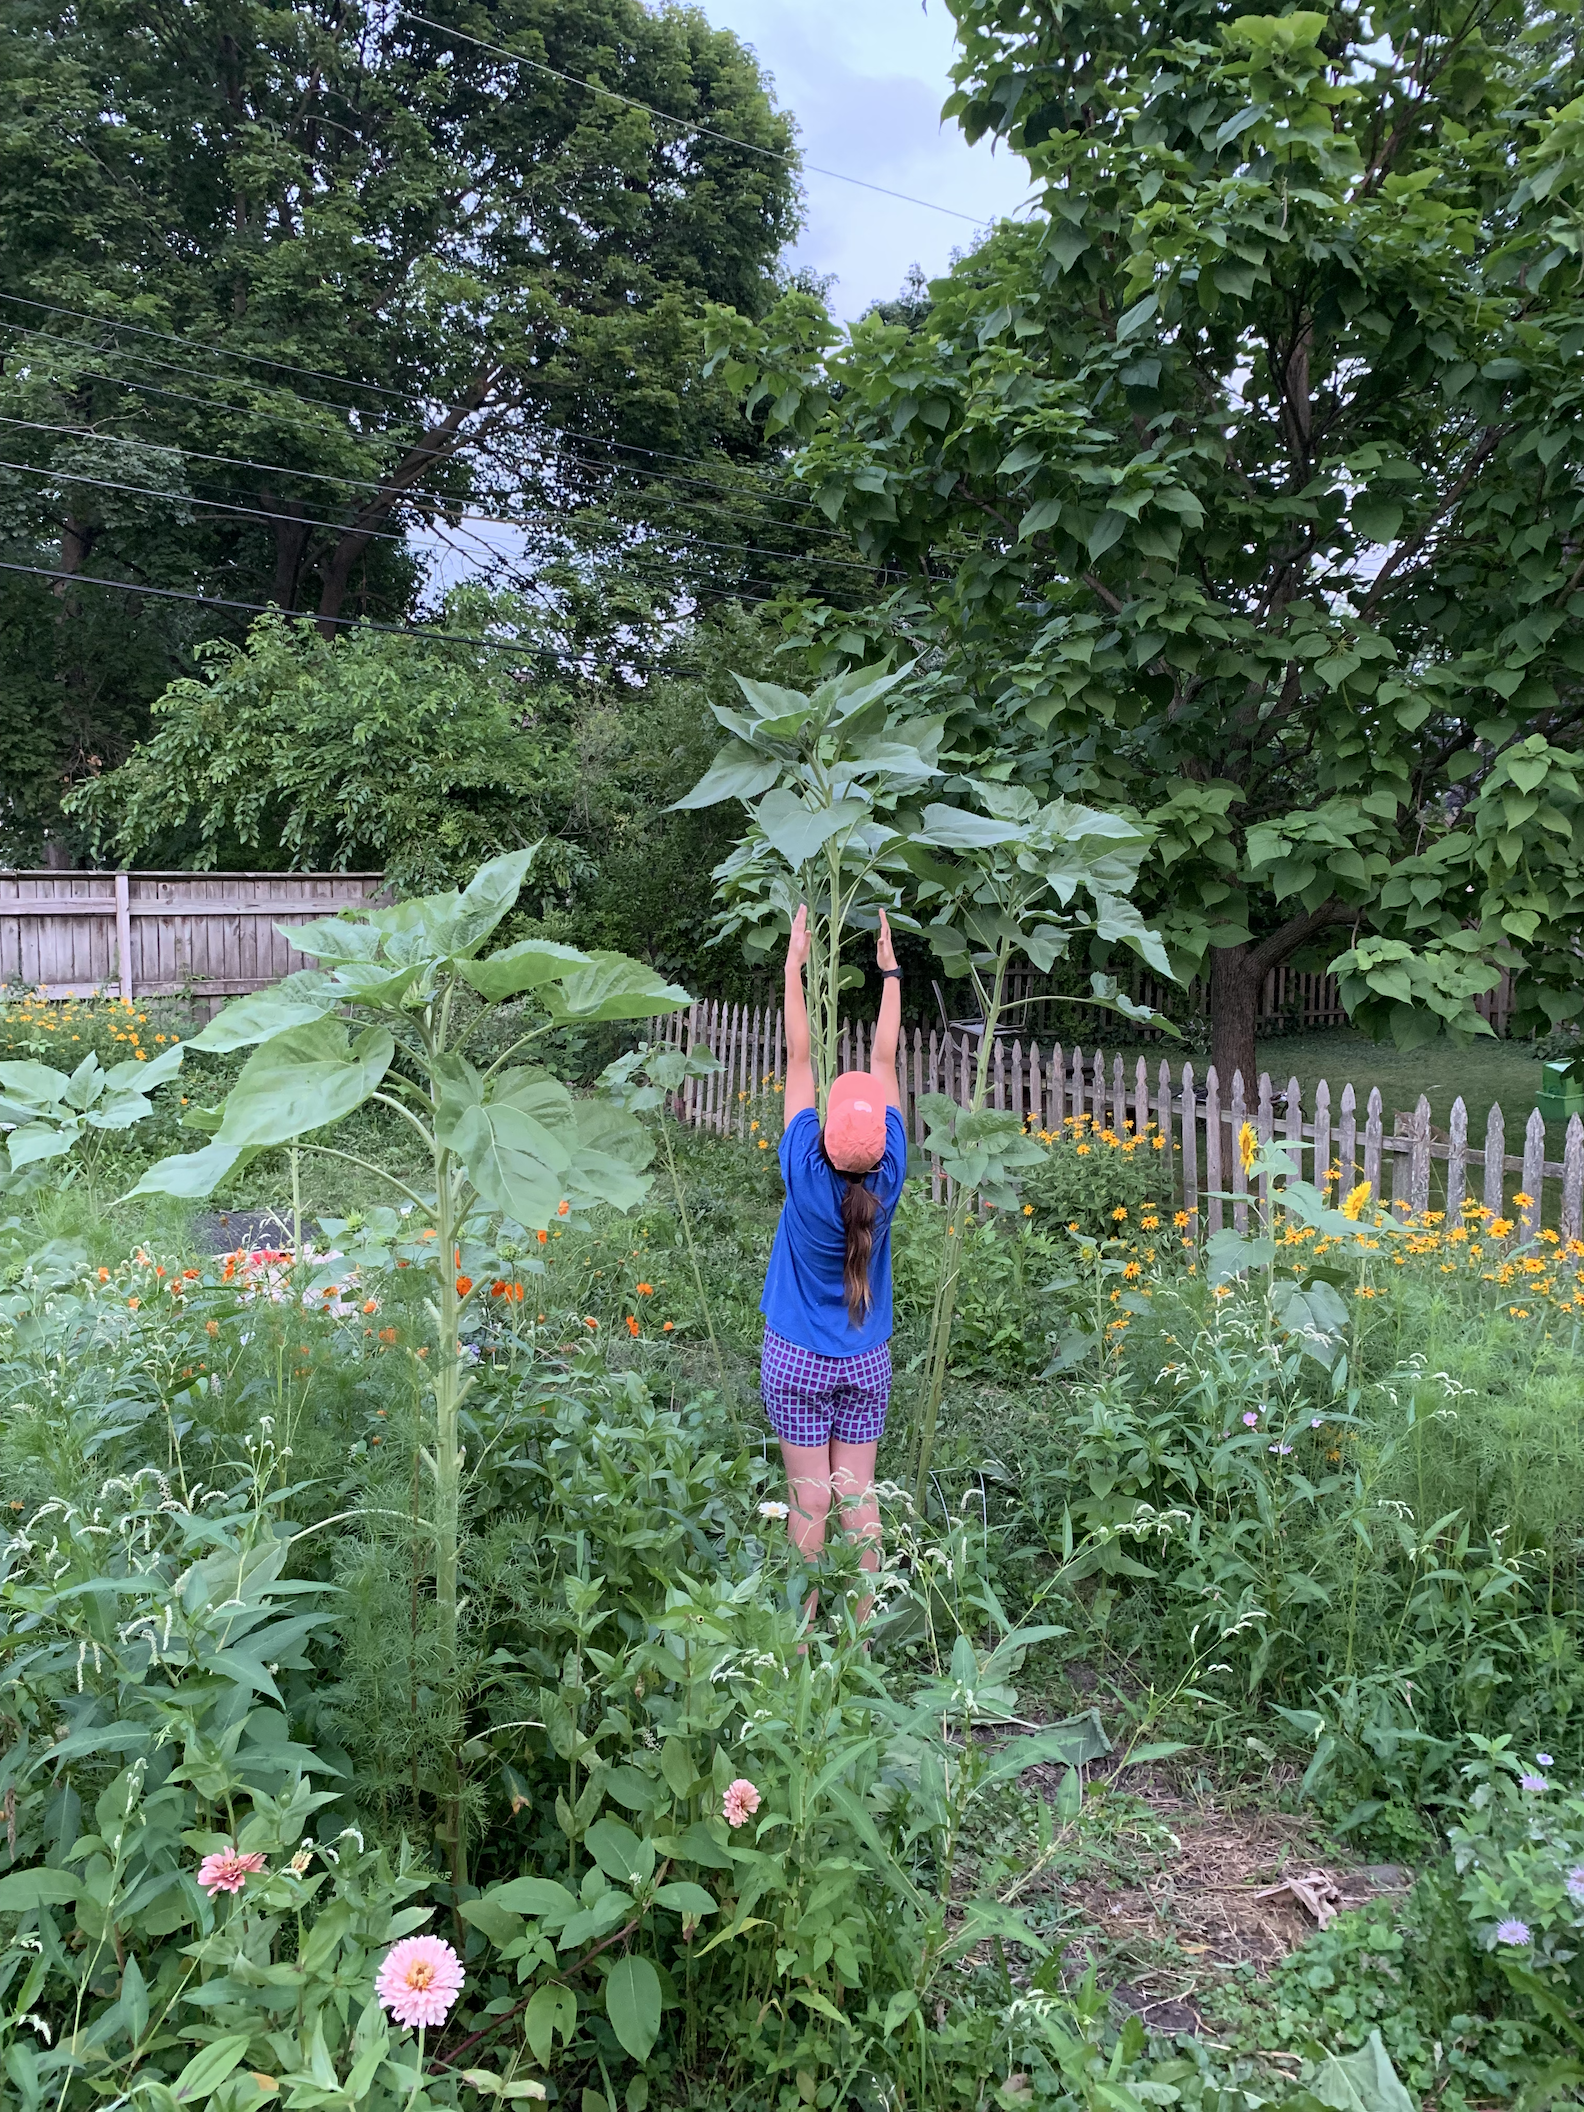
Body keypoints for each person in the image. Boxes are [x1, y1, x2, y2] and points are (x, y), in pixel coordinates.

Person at [759, 902, 906, 1613]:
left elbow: (799, 1058)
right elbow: (886, 1057)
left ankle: (798, 1637)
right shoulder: (890, 1178)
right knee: (857, 1496)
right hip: (865, 1357)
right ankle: (862, 1634)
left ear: (817, 1142)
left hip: (795, 1355)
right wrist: (890, 971)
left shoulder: (802, 1173)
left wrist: (794, 966)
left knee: (809, 1504)